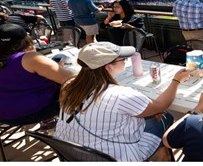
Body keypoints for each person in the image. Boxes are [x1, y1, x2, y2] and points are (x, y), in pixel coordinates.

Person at [54, 42, 191, 161]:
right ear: (108, 67)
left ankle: (161, 153)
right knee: (165, 117)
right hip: (114, 156)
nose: (126, 61)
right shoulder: (120, 95)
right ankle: (162, 155)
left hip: (71, 152)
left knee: (152, 115)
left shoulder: (69, 85)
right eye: (123, 59)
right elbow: (161, 105)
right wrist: (176, 81)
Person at [0, 24, 75, 129]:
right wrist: (58, 66)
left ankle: (48, 120)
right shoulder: (30, 58)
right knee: (72, 88)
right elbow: (69, 78)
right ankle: (76, 126)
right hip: (21, 114)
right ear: (26, 40)